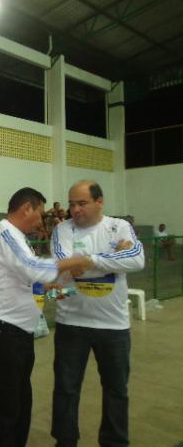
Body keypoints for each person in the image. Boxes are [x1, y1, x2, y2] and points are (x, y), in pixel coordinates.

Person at [0, 187, 93, 447]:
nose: (41, 221)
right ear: (26, 208)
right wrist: (73, 261)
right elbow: (31, 268)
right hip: (2, 330)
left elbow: (22, 277)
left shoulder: (17, 236)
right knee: (6, 406)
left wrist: (48, 287)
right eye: (40, 214)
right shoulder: (4, 232)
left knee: (20, 401)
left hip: (17, 331)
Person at [50, 180, 145, 447]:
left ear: (99, 202)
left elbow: (137, 260)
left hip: (113, 326)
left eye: (82, 203)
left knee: (116, 390)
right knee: (66, 389)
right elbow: (62, 266)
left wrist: (87, 260)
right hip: (71, 323)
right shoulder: (62, 229)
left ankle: (115, 442)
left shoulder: (119, 226)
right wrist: (113, 259)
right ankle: (65, 441)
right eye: (71, 204)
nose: (75, 210)